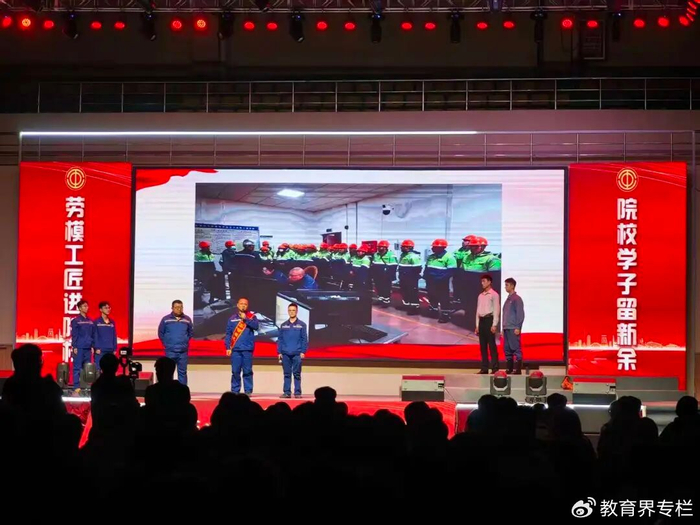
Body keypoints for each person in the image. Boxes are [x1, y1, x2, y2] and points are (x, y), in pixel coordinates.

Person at [225, 297, 259, 395]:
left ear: (247, 306)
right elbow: (228, 334)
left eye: (245, 304)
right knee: (235, 371)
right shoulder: (232, 319)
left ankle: (248, 391)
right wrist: (228, 347)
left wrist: (246, 319)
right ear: (237, 305)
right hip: (235, 350)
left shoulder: (252, 317)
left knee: (247, 371)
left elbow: (256, 326)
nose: (243, 306)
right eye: (241, 304)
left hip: (247, 349)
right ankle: (235, 391)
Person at [157, 300, 193, 385]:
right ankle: (168, 390)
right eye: (176, 307)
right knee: (168, 373)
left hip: (183, 352)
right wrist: (166, 344)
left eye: (180, 307)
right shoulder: (165, 319)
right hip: (170, 351)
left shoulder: (187, 319)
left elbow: (190, 333)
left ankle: (182, 391)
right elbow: (160, 333)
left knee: (182, 373)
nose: (179, 309)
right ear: (172, 308)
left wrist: (185, 341)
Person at [277, 303, 308, 398]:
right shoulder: (283, 325)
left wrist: (303, 351)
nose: (291, 312)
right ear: (288, 311)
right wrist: (279, 352)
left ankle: (297, 393)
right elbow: (280, 339)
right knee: (287, 374)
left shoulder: (302, 325)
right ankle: (287, 392)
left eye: (293, 310)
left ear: (297, 311)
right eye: (290, 310)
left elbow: (304, 339)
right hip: (285, 353)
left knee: (297, 374)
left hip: (297, 354)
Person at [424, 239, 457, 323]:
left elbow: (451, 272)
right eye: (433, 247)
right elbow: (427, 268)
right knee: (432, 296)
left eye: (435, 247)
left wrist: (440, 279)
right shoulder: (431, 257)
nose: (433, 248)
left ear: (442, 248)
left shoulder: (449, 257)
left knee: (444, 298)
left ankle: (445, 315)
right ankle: (433, 312)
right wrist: (425, 277)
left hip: (442, 283)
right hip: (431, 281)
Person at [475, 274, 500, 374]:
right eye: (481, 281)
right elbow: (478, 311)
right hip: (481, 321)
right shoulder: (480, 296)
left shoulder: (494, 295)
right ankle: (484, 368)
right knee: (483, 346)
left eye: (484, 281)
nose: (482, 283)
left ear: (489, 282)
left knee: (492, 346)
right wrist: (477, 325)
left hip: (489, 320)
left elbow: (496, 310)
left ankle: (495, 367)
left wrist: (494, 324)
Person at [502, 277, 525, 374]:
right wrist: (503, 328)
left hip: (513, 328)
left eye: (507, 285)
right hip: (506, 327)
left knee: (515, 347)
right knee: (507, 349)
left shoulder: (517, 299)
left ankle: (517, 369)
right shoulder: (508, 299)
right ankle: (509, 368)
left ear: (512, 286)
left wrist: (518, 327)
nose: (505, 287)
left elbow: (520, 314)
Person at [71, 299, 95, 390]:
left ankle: (86, 386)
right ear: (80, 308)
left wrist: (92, 345)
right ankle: (76, 387)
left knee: (87, 367)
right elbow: (74, 334)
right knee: (77, 367)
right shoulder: (76, 321)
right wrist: (74, 346)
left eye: (87, 306)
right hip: (79, 347)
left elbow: (92, 334)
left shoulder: (91, 321)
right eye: (84, 306)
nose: (87, 308)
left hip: (88, 348)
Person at [371, 240, 398, 307]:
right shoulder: (376, 254)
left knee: (386, 288)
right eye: (379, 247)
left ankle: (386, 301)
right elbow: (373, 264)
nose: (380, 248)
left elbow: (394, 266)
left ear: (386, 248)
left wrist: (391, 276)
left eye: (381, 247)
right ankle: (380, 299)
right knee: (378, 287)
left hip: (386, 275)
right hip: (377, 274)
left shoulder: (391, 255)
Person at [398, 239, 421, 315]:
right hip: (403, 277)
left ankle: (414, 308)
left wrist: (411, 276)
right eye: (402, 247)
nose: (402, 248)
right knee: (404, 291)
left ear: (409, 247)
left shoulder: (414, 256)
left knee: (412, 292)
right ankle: (407, 305)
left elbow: (418, 268)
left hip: (411, 278)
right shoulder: (403, 255)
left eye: (404, 247)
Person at [93, 301, 117, 372]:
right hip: (100, 350)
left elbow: (114, 335)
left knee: (110, 370)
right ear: (101, 309)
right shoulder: (96, 322)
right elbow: (95, 336)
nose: (108, 309)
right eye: (105, 308)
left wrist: (114, 348)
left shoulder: (112, 322)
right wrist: (96, 348)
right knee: (98, 370)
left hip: (110, 350)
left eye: (109, 308)